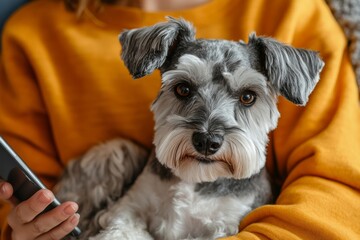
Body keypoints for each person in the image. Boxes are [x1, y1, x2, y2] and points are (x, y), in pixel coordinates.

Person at [0, 0, 359, 239]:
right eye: (185, 91)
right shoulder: (32, 33)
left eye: (246, 97)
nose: (207, 133)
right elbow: (13, 198)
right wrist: (18, 230)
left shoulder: (292, 9)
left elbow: (338, 187)